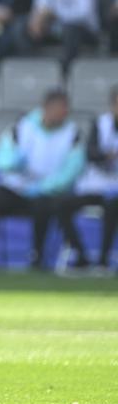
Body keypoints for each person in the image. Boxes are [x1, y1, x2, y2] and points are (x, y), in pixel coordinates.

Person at [0, 89, 88, 268]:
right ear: (46, 108)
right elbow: (1, 160)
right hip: (17, 188)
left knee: (45, 205)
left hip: (48, 193)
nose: (63, 114)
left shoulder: (73, 135)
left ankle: (37, 255)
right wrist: (14, 163)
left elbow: (70, 172)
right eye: (59, 109)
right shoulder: (20, 128)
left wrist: (43, 187)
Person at [70, 87, 118, 270]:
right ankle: (81, 254)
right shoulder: (100, 124)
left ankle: (104, 260)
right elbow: (91, 153)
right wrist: (107, 156)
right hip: (97, 185)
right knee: (61, 205)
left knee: (112, 206)